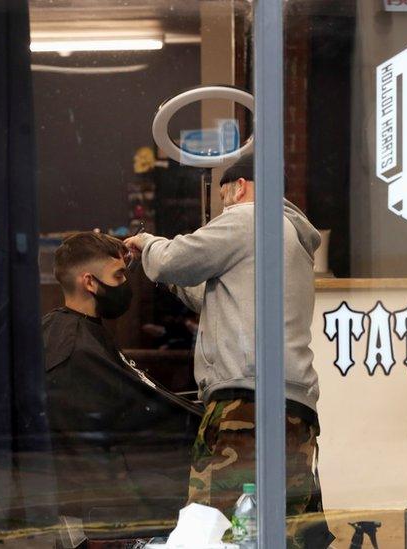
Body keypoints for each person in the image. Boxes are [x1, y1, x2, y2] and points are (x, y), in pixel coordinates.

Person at [125, 155, 333, 548]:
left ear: (240, 187)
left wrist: (147, 243)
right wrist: (170, 282)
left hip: (246, 405)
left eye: (224, 198)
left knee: (217, 531)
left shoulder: (248, 218)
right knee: (285, 534)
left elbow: (175, 259)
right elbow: (215, 296)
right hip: (294, 408)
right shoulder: (289, 236)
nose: (223, 209)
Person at [42, 232, 199, 528]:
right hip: (101, 500)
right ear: (89, 282)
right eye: (118, 276)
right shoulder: (77, 349)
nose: (125, 284)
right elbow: (143, 410)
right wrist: (204, 424)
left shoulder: (73, 334)